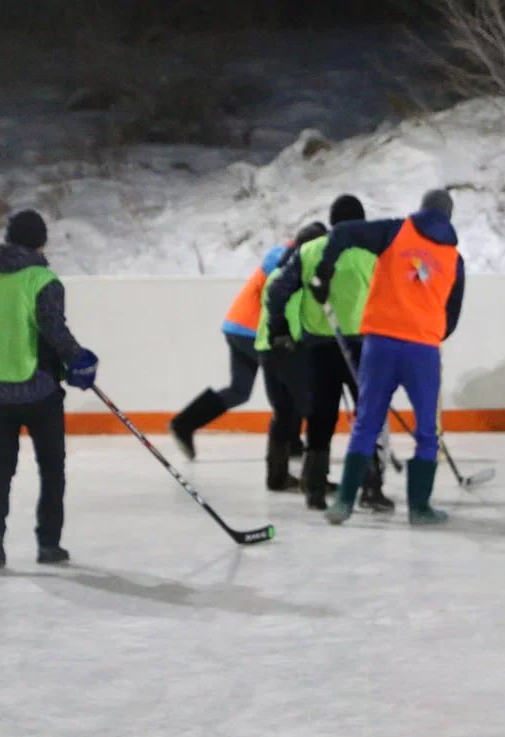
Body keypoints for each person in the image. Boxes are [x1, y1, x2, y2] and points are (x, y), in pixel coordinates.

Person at [316, 188, 464, 526]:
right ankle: (419, 508)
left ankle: (343, 503)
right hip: (423, 351)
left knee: (367, 424)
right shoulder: (455, 259)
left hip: (380, 344)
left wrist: (324, 272)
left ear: (422, 208)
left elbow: (342, 232)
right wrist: (430, 332)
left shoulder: (395, 231)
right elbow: (452, 313)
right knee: (427, 431)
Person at [0, 209, 98, 567]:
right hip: (38, 391)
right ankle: (48, 544)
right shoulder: (42, 279)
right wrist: (78, 361)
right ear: (40, 241)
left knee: (0, 466)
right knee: (51, 468)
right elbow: (54, 331)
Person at [266, 194, 393, 512]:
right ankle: (370, 486)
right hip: (363, 347)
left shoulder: (309, 250)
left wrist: (279, 328)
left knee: (321, 417)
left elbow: (277, 290)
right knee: (367, 418)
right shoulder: (374, 253)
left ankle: (315, 489)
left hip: (318, 348)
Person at [168, 232, 296, 461]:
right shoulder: (287, 260)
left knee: (239, 391)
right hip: (253, 331)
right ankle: (290, 441)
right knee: (289, 383)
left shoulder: (284, 256)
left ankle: (184, 423)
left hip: (237, 326)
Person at [255, 220, 328, 491]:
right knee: (313, 410)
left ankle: (277, 476)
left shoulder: (278, 272)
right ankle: (313, 479)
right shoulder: (296, 276)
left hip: (267, 348)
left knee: (284, 413)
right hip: (288, 348)